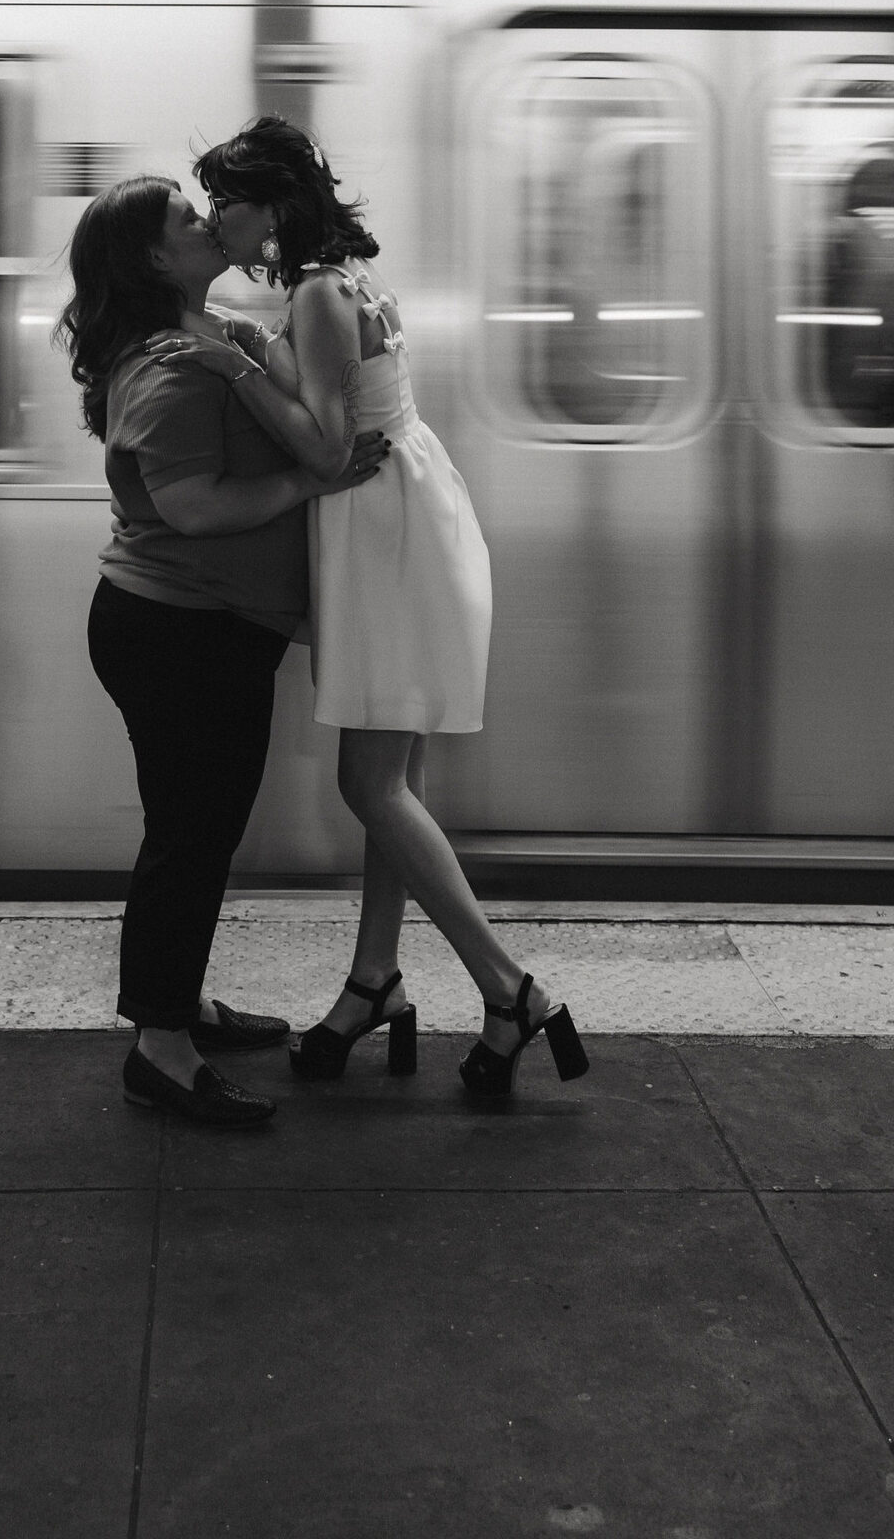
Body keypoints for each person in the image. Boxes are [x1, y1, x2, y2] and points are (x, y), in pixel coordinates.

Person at [151, 116, 587, 1100]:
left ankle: (510, 990)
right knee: (397, 787)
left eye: (230, 199)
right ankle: (372, 982)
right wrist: (258, 345)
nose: (219, 218)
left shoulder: (311, 290)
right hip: (412, 510)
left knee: (369, 785)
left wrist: (229, 364)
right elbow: (345, 385)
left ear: (275, 204)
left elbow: (322, 439)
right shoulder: (352, 279)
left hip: (378, 529)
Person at [56, 173, 390, 1130]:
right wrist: (304, 484)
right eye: (187, 220)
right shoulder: (166, 363)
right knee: (190, 836)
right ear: (156, 258)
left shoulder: (207, 336)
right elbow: (192, 507)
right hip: (175, 633)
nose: (208, 226)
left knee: (192, 828)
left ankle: (177, 1005)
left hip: (199, 630)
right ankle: (160, 1053)